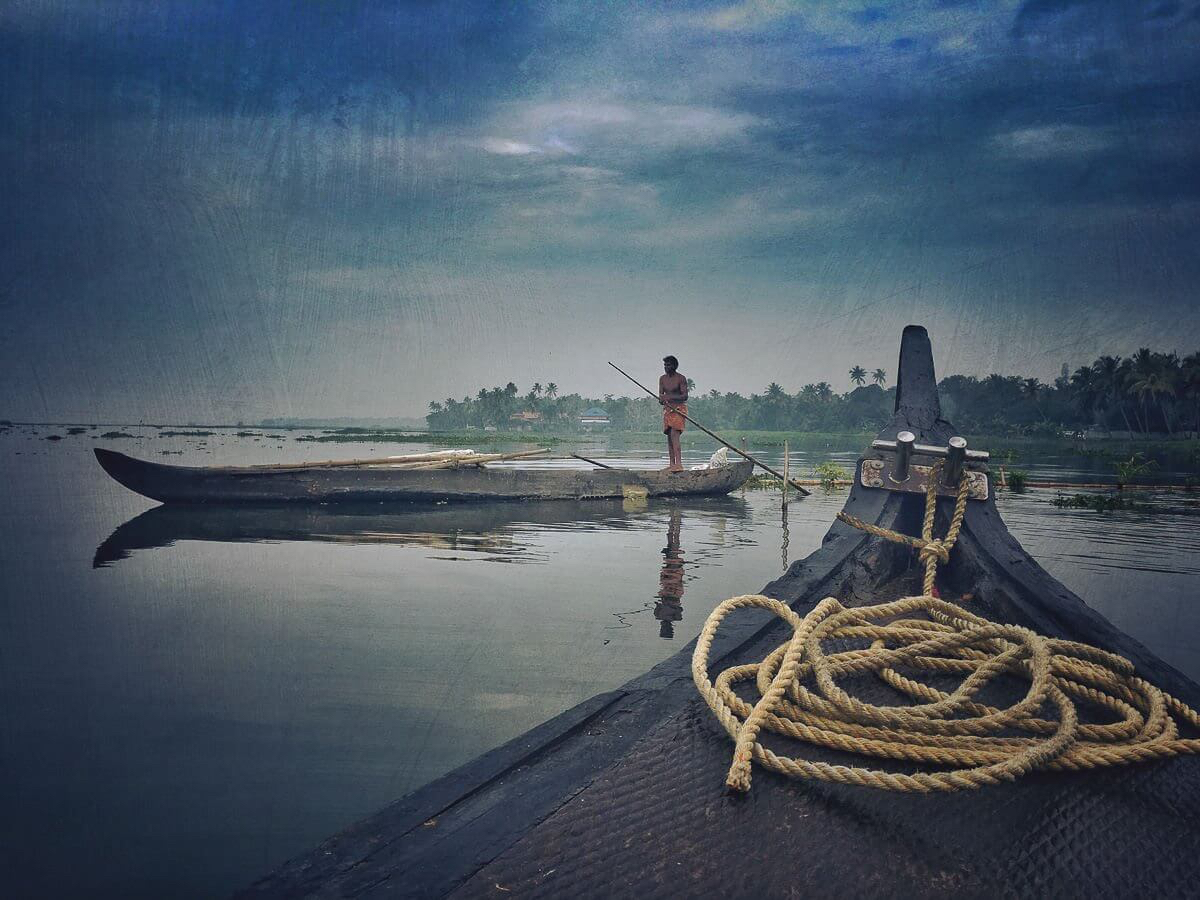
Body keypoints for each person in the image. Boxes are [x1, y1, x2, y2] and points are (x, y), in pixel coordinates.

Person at [658, 355, 688, 473]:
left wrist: (669, 397)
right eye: (665, 365)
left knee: (675, 435)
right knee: (669, 437)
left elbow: (684, 396)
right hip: (667, 410)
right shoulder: (662, 379)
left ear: (674, 366)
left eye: (669, 365)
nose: (666, 367)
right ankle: (672, 464)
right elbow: (661, 396)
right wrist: (662, 399)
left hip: (678, 409)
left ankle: (679, 464)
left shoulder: (681, 378)